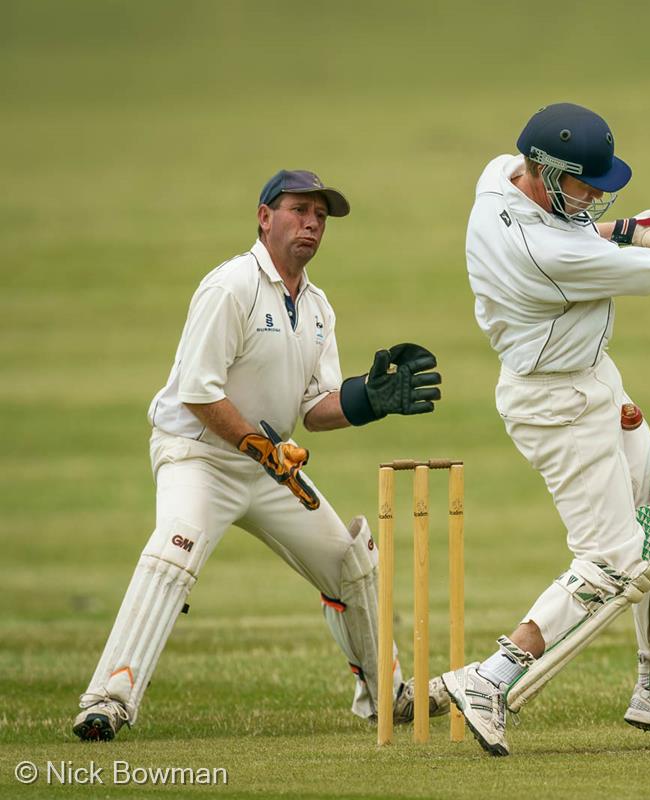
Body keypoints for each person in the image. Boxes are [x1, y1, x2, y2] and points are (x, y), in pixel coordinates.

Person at [73, 170, 449, 741]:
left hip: (270, 465)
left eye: (320, 216)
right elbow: (199, 393)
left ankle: (388, 694)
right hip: (198, 455)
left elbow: (315, 407)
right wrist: (258, 447)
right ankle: (106, 700)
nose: (312, 224)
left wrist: (368, 400)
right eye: (299, 210)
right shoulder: (231, 287)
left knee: (349, 559)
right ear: (264, 216)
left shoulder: (318, 306)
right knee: (178, 546)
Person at [444, 103, 650, 756]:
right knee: (612, 559)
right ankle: (490, 680)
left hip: (591, 379)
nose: (594, 197)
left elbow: (599, 238)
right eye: (585, 185)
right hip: (555, 404)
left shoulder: (499, 175)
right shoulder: (545, 250)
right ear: (544, 172)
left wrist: (626, 226)